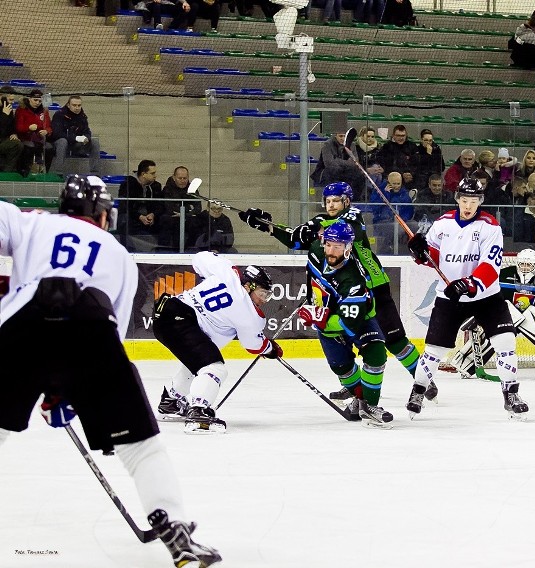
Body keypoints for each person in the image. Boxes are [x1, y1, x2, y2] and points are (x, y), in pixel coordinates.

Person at [0, 175, 221, 567]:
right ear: (103, 215)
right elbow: (111, 337)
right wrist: (66, 393)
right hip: (92, 328)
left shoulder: (31, 221)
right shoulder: (120, 256)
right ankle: (173, 527)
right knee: (141, 448)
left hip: (23, 321)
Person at [238, 181, 437, 400]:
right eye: (328, 201)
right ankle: (355, 386)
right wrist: (267, 225)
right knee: (339, 342)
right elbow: (296, 239)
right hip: (341, 292)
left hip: (373, 287)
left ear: (347, 201)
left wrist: (313, 230)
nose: (331, 205)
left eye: (336, 201)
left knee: (394, 340)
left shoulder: (353, 216)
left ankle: (423, 382)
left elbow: (342, 230)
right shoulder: (321, 220)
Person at [407, 178, 528, 419]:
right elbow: (431, 256)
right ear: (457, 199)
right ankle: (418, 391)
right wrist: (419, 251)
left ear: (480, 201)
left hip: (487, 297)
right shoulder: (443, 224)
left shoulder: (490, 227)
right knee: (433, 351)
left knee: (505, 344)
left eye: (473, 201)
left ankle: (511, 394)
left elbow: (491, 264)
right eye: (464, 200)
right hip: (449, 296)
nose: (468, 205)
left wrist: (470, 284)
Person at [154, 253, 280, 433]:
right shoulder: (250, 315)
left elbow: (199, 258)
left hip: (165, 311)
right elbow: (253, 346)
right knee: (214, 368)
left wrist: (217, 276)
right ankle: (199, 415)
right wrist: (271, 349)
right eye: (262, 293)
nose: (263, 300)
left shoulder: (227, 271)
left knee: (197, 364)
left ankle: (171, 403)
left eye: (267, 295)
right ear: (248, 286)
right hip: (182, 321)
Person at [299, 220, 393, 426]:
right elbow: (297, 240)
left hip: (359, 318)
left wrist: (318, 317)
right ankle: (359, 400)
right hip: (328, 318)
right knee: (342, 368)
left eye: (338, 247)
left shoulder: (354, 279)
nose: (331, 251)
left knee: (376, 352)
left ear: (348, 248)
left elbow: (349, 323)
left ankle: (370, 406)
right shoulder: (316, 250)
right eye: (329, 245)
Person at [117, 159, 165, 251]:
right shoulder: (127, 185)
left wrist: (153, 214)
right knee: (124, 219)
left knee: (165, 219)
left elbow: (160, 205)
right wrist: (139, 216)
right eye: (152, 173)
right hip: (133, 218)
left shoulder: (156, 186)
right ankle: (127, 251)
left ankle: (162, 251)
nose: (155, 176)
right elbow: (125, 206)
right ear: (143, 174)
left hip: (149, 219)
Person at [49, 94, 101, 176]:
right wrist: (75, 138)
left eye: (79, 105)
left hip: (76, 145)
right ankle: (58, 172)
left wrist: (86, 137)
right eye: (74, 105)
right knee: (62, 141)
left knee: (94, 142)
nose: (77, 108)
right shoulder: (59, 115)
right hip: (60, 144)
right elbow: (57, 133)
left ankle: (95, 173)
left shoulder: (82, 116)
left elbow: (87, 131)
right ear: (68, 105)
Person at [159, 165, 203, 251]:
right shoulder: (167, 189)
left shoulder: (192, 189)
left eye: (185, 178)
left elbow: (198, 208)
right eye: (180, 178)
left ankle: (191, 249)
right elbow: (169, 207)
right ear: (174, 177)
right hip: (172, 218)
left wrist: (185, 214)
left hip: (188, 218)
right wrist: (189, 211)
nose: (183, 181)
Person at [14, 89, 52, 176]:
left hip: (39, 139)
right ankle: (25, 171)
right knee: (29, 146)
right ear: (29, 99)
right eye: (35, 100)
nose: (37, 102)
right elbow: (18, 127)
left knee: (49, 148)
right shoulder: (21, 110)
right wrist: (28, 128)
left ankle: (45, 171)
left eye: (39, 101)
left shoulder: (44, 111)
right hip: (25, 137)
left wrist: (46, 131)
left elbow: (49, 126)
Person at [0, 86, 22, 173]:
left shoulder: (8, 108)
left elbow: (12, 126)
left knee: (18, 144)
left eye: (13, 100)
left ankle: (7, 171)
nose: (12, 102)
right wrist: (4, 115)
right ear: (1, 96)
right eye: (10, 100)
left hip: (4, 140)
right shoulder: (6, 111)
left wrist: (14, 133)